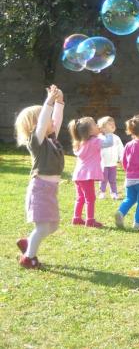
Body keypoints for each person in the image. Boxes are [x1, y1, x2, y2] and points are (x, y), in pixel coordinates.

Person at [14, 85, 65, 269]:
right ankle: (29, 258)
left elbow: (55, 121)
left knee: (53, 226)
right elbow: (44, 122)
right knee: (43, 227)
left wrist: (59, 102)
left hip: (50, 191)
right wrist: (49, 101)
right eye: (47, 117)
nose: (52, 120)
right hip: (40, 190)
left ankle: (28, 243)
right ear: (36, 125)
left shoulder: (52, 140)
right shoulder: (37, 142)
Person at [68, 117, 114, 228]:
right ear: (89, 131)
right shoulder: (94, 141)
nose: (97, 125)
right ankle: (90, 220)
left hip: (78, 175)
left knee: (80, 197)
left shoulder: (80, 142)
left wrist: (101, 133)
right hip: (86, 176)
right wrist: (108, 132)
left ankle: (77, 218)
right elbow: (109, 143)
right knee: (90, 198)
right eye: (94, 124)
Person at [97, 116, 124, 200]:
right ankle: (102, 192)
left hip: (113, 163)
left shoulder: (116, 138)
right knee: (103, 179)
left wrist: (122, 158)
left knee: (113, 179)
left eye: (113, 124)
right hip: (103, 163)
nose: (113, 126)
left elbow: (121, 149)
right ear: (102, 128)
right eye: (110, 124)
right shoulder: (99, 138)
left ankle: (114, 193)